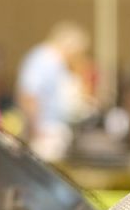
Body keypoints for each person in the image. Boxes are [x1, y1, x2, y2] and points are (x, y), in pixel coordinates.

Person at [17, 21, 91, 161]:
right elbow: (29, 95)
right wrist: (35, 130)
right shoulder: (44, 59)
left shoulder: (55, 61)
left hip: (51, 131)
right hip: (44, 132)